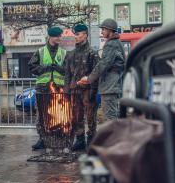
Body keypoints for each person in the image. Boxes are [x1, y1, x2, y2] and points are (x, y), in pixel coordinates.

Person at [78, 18, 125, 121]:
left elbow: (103, 64)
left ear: (110, 30)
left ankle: (115, 137)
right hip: (113, 85)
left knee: (110, 118)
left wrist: (89, 78)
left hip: (110, 86)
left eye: (103, 29)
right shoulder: (117, 43)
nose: (102, 31)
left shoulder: (111, 44)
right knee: (113, 117)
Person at [28, 26, 66, 150]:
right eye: (58, 36)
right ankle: (42, 139)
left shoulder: (64, 52)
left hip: (58, 88)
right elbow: (32, 67)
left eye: (61, 36)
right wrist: (46, 67)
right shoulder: (40, 51)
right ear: (51, 37)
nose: (60, 38)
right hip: (42, 88)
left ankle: (58, 139)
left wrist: (58, 68)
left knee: (58, 114)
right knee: (41, 116)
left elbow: (68, 70)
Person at [64, 23, 99, 151]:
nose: (76, 37)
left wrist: (93, 92)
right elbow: (67, 74)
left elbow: (96, 74)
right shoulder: (70, 54)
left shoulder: (92, 53)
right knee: (76, 116)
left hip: (88, 90)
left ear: (85, 35)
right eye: (75, 35)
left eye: (78, 34)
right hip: (75, 90)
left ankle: (91, 140)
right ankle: (80, 140)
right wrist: (66, 91)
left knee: (90, 116)